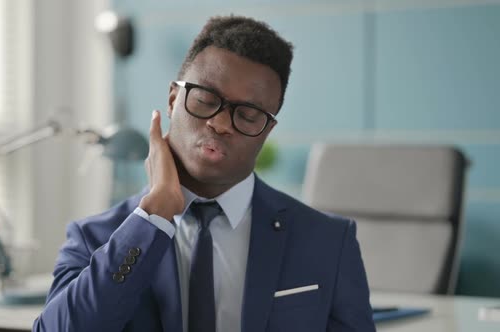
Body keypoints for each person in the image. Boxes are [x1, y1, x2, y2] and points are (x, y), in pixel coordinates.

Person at [33, 15, 375, 332]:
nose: (221, 123)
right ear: (172, 100)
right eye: (206, 98)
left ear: (267, 129)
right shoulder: (95, 237)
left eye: (249, 114)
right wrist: (155, 214)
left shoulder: (328, 241)